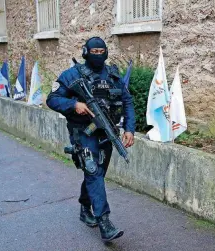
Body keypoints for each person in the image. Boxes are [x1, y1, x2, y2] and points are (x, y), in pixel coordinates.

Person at [46, 37, 135, 242]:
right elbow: (52, 99)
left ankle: (85, 207)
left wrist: (129, 129)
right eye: (93, 52)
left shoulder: (112, 75)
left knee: (98, 172)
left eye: (101, 51)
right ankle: (104, 221)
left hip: (106, 132)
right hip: (83, 132)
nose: (98, 55)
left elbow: (127, 101)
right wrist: (73, 105)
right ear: (85, 52)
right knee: (93, 170)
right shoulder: (72, 75)